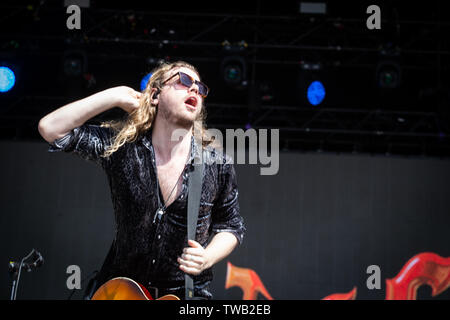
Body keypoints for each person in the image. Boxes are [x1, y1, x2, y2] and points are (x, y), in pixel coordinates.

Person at [38, 60, 245, 300]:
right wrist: (116, 95)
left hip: (186, 295)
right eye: (184, 81)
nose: (194, 89)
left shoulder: (216, 164)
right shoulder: (123, 148)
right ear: (155, 95)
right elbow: (51, 128)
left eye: (200, 87)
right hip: (120, 292)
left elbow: (231, 226)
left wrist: (208, 256)